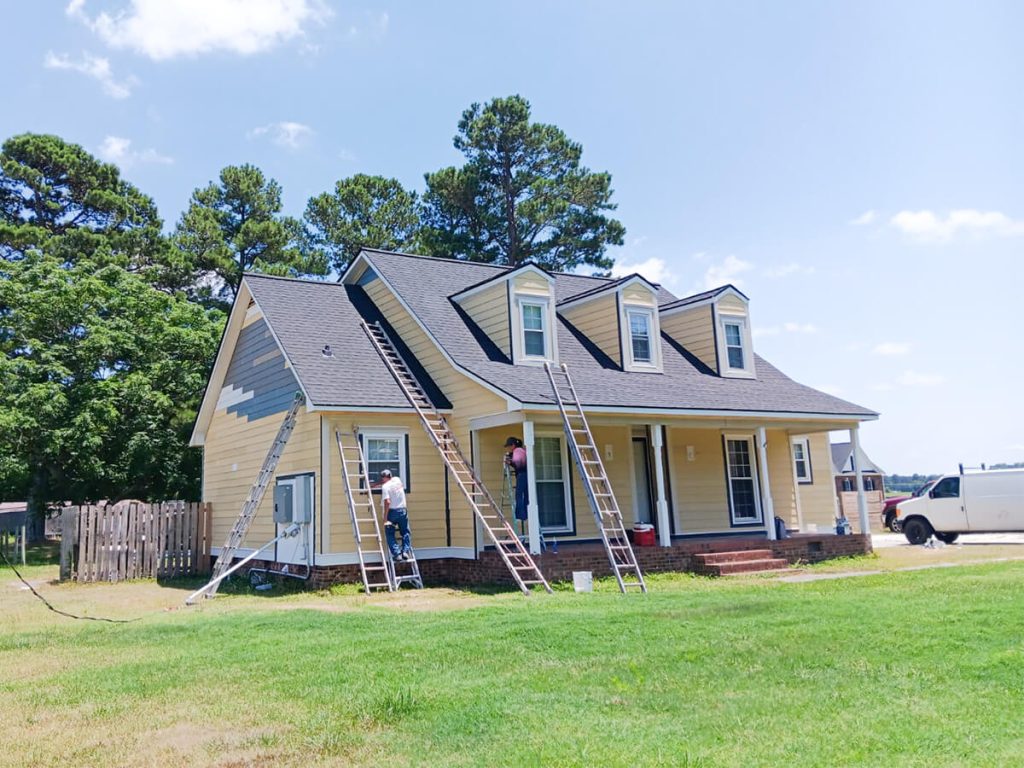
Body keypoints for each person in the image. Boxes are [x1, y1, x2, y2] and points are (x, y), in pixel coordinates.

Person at [379, 469, 412, 561]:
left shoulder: (385, 487)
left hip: (392, 512)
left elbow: (387, 502)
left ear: (385, 477)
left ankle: (397, 554)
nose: (382, 480)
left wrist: (385, 518)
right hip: (403, 511)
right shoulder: (397, 480)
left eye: (382, 478)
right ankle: (405, 552)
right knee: (405, 532)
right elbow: (390, 484)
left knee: (389, 533)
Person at [504, 437, 528, 524]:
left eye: (509, 446)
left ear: (513, 445)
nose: (509, 448)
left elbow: (518, 464)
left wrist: (509, 462)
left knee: (519, 494)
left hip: (522, 475)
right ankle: (526, 514)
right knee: (526, 495)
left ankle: (520, 515)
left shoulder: (517, 451)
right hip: (526, 475)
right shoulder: (522, 451)